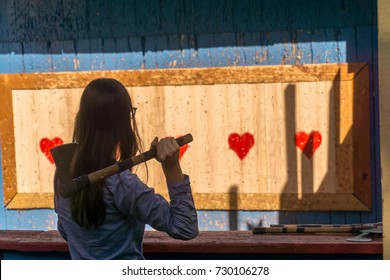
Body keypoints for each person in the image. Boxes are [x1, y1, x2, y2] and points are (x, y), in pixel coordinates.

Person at [54, 78, 198, 260]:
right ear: (122, 124)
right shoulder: (121, 184)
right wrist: (172, 168)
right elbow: (185, 227)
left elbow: (65, 230)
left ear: (81, 120)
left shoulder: (62, 174)